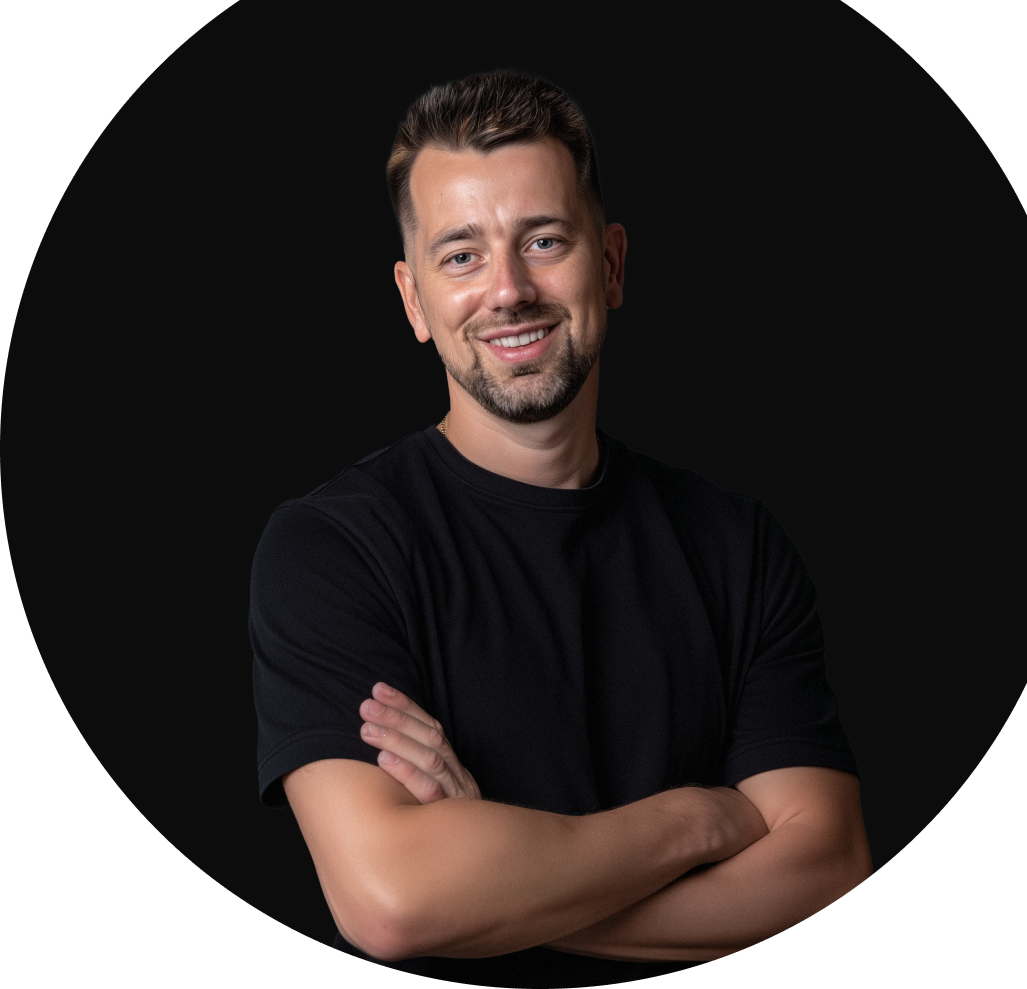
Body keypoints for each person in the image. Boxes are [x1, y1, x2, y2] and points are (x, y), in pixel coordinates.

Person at [249, 71, 873, 986]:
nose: (508, 291)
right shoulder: (334, 551)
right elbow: (395, 902)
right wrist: (699, 820)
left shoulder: (737, 547)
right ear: (414, 300)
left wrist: (497, 889)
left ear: (610, 265)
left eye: (544, 241)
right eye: (461, 256)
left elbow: (829, 873)